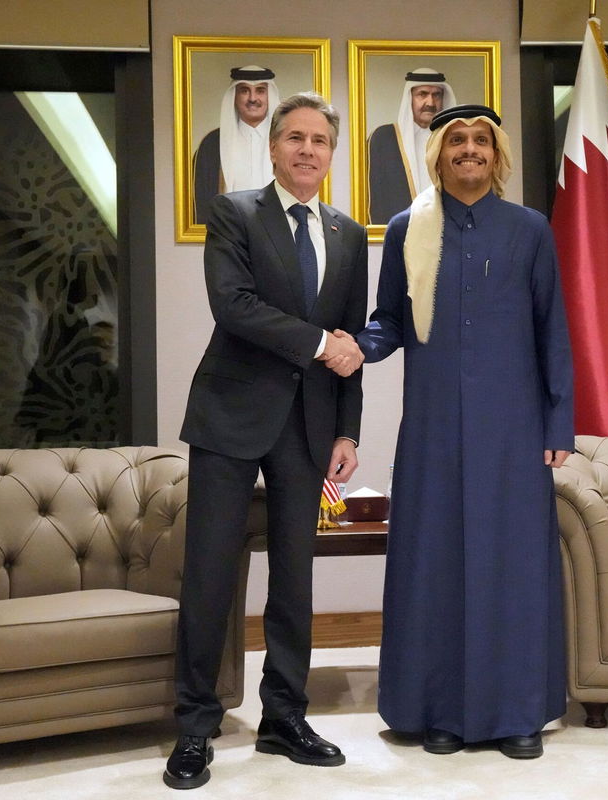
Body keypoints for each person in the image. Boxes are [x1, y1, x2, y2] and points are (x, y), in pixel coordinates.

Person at [356, 104, 574, 759]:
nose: (470, 150)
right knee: (437, 565)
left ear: (497, 154)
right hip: (433, 432)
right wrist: (348, 347)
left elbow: (552, 330)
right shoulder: (406, 230)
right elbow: (387, 321)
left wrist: (559, 420)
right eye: (458, 141)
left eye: (481, 141)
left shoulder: (530, 230)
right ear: (439, 155)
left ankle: (517, 715)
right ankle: (439, 711)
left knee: (514, 568)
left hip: (514, 429)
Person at [166, 92, 368, 791]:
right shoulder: (234, 212)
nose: (308, 150)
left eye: (320, 140)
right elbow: (235, 305)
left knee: (295, 578)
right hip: (230, 417)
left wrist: (348, 427)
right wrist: (319, 343)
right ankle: (196, 725)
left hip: (309, 427)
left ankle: (284, 716)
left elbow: (351, 341)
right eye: (295, 138)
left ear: (330, 153)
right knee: (212, 575)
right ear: (274, 147)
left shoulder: (347, 233)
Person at [192, 65, 281, 223]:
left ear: (270, 96)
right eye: (244, 90)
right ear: (234, 96)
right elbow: (202, 204)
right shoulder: (212, 144)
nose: (252, 98)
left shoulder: (285, 142)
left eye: (260, 90)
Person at [366, 69, 456, 224]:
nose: (430, 103)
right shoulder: (383, 138)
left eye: (437, 95)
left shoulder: (455, 141)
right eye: (422, 94)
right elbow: (375, 198)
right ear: (410, 98)